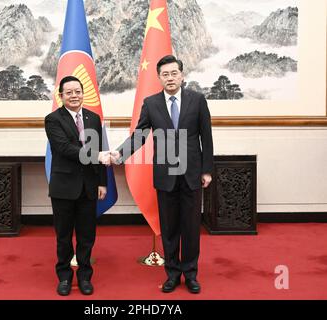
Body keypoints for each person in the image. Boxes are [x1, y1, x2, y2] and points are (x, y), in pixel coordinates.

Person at [109, 55, 214, 294]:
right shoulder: (152, 103)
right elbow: (139, 135)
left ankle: (191, 274)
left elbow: (206, 137)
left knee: (190, 227)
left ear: (182, 75)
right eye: (165, 74)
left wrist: (207, 170)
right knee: (169, 228)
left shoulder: (197, 100)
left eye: (174, 73)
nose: (170, 78)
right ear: (159, 78)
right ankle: (172, 274)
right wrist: (120, 153)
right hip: (165, 174)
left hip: (192, 173)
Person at [45, 76, 110, 296]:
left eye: (78, 91)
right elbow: (64, 149)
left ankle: (84, 276)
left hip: (89, 187)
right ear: (61, 96)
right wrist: (98, 156)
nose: (74, 96)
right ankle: (64, 277)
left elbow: (100, 151)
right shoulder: (53, 119)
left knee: (86, 236)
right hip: (64, 187)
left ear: (83, 93)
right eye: (69, 92)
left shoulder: (93, 118)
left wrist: (102, 182)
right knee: (63, 237)